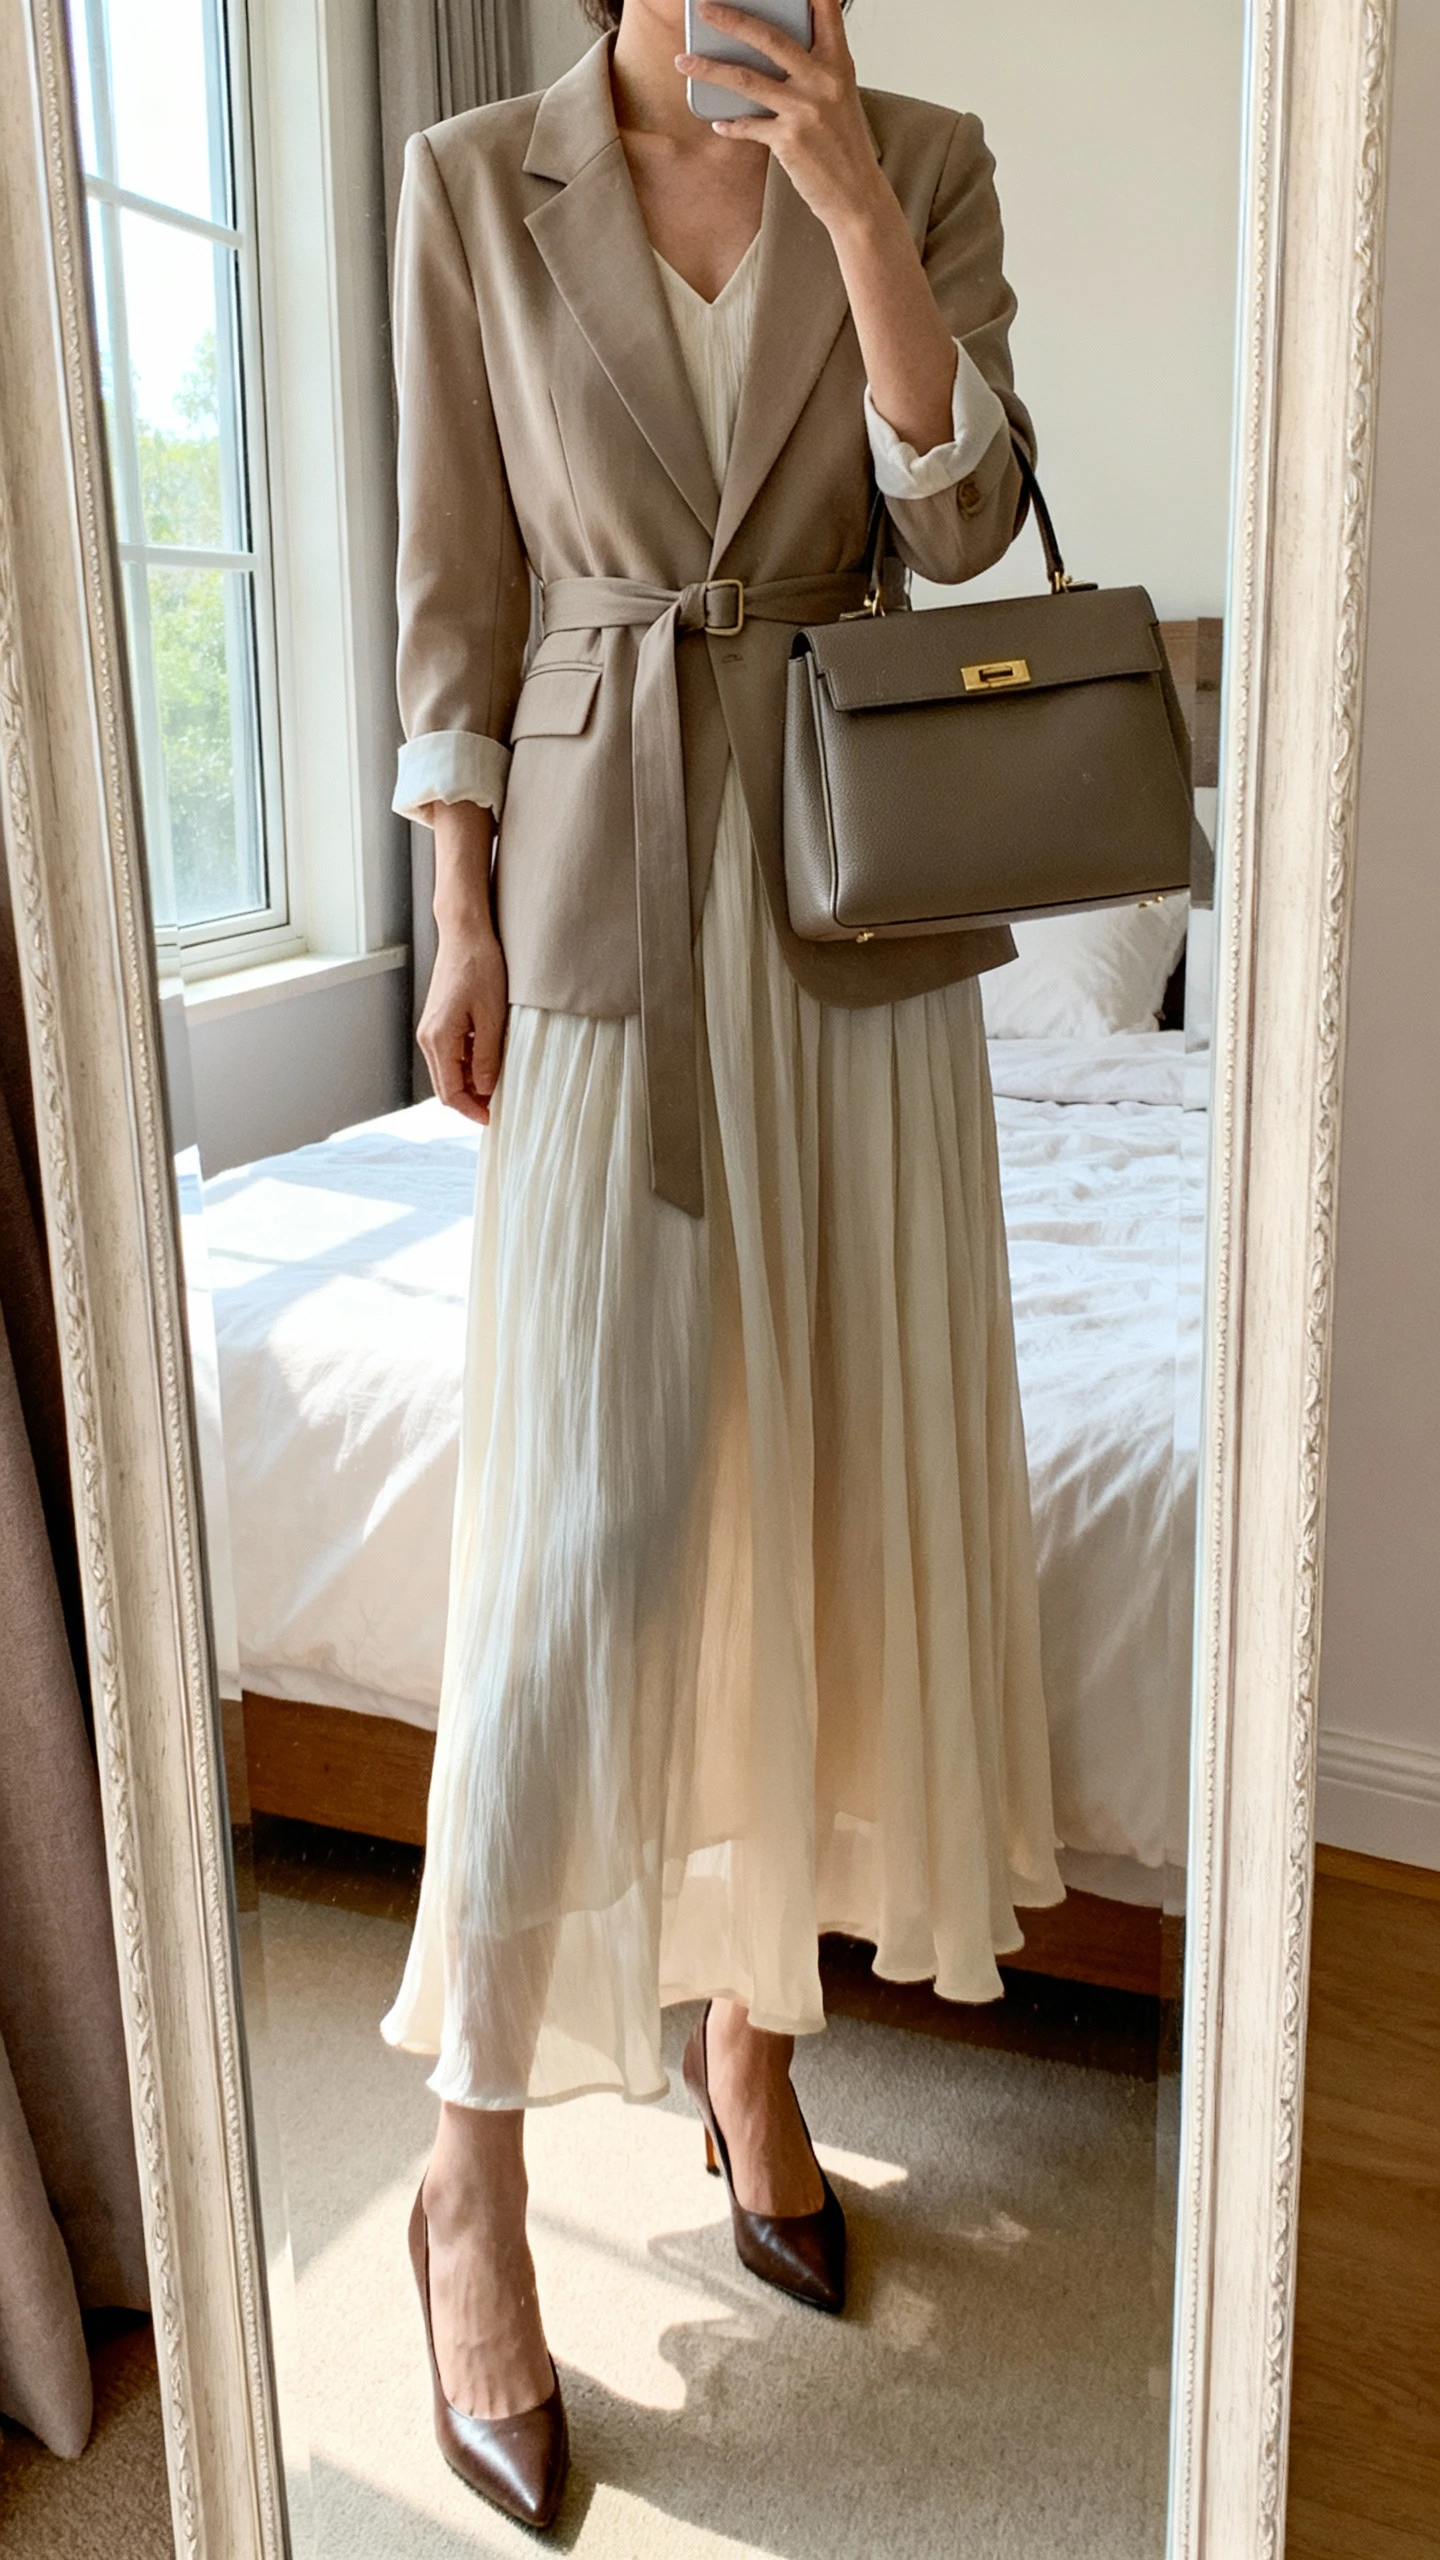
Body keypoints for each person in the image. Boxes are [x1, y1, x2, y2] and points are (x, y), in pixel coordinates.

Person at [382, 0, 1062, 2525]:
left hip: (853, 913)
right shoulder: (474, 177)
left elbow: (965, 524)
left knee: (817, 1501)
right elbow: (458, 588)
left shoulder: (937, 158)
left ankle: (750, 2030)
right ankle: (471, 2163)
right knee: (580, 1547)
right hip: (589, 913)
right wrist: (450, 910)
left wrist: (863, 205)